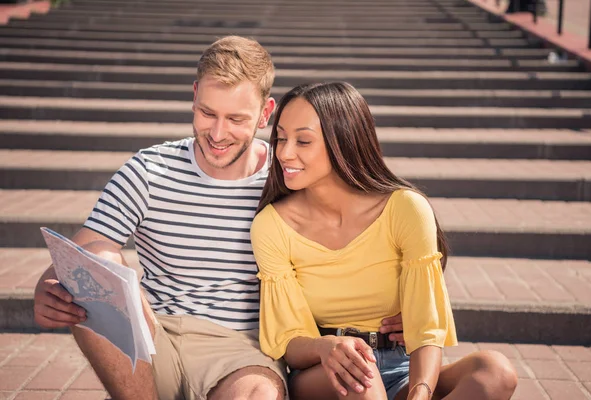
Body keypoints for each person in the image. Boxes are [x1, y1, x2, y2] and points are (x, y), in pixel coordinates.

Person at [32, 37, 406, 400]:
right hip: (154, 339)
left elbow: (354, 248)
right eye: (207, 112)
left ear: (265, 114)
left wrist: (395, 307)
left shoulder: (290, 178)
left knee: (258, 395)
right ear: (195, 94)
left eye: (236, 119)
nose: (217, 133)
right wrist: (48, 288)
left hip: (244, 351)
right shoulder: (148, 170)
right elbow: (78, 257)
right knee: (100, 262)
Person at [250, 82, 518, 400]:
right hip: (327, 372)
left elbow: (425, 325)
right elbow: (288, 340)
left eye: (303, 140)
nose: (283, 152)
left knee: (494, 372)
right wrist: (326, 346)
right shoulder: (272, 225)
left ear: (344, 141)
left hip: (401, 367)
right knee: (363, 382)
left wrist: (421, 391)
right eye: (280, 138)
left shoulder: (405, 208)